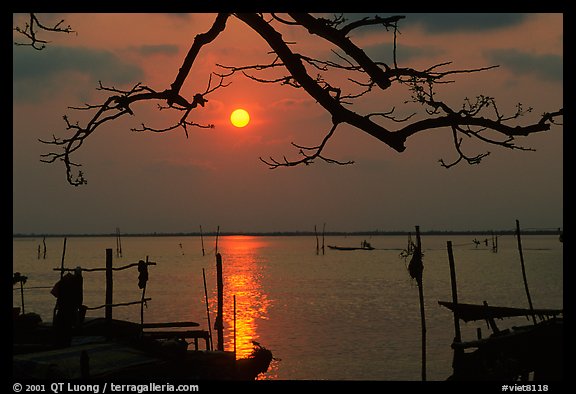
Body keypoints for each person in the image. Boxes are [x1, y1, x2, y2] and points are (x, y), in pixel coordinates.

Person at [51, 267, 84, 345]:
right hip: (67, 309)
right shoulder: (73, 282)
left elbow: (55, 293)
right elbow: (79, 297)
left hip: (64, 308)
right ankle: (63, 341)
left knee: (63, 327)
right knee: (65, 327)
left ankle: (61, 341)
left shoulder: (66, 282)